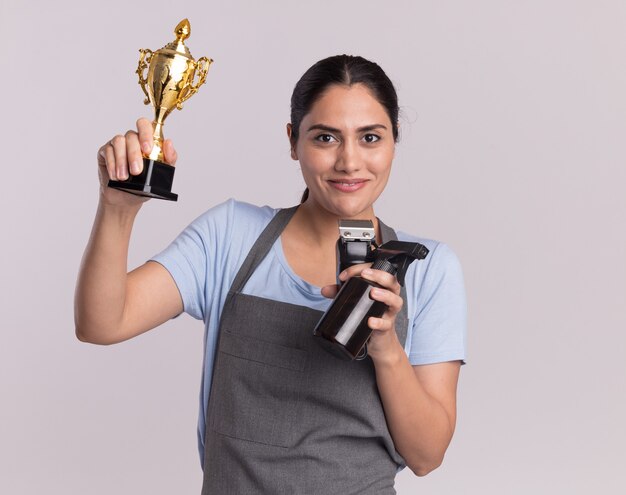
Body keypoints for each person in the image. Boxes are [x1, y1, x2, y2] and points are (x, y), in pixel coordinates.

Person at [75, 55, 466, 494]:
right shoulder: (231, 235)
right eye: (325, 138)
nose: (349, 162)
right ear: (293, 141)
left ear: (394, 141)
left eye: (370, 137)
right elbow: (101, 324)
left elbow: (427, 455)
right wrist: (117, 209)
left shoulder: (428, 267)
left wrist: (386, 345)